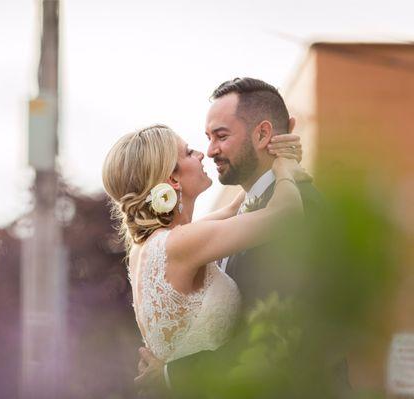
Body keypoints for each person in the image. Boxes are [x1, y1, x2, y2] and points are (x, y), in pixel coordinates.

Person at [132, 78, 349, 398]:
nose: (209, 151)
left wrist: (170, 374)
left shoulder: (303, 210)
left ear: (262, 134)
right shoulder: (239, 217)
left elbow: (279, 341)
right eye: (206, 139)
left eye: (221, 136)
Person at [102, 83, 308, 395]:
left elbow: (235, 207)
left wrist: (265, 155)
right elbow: (287, 213)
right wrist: (285, 167)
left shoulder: (149, 246)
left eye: (218, 137)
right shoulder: (184, 244)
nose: (203, 153)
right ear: (171, 178)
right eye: (188, 152)